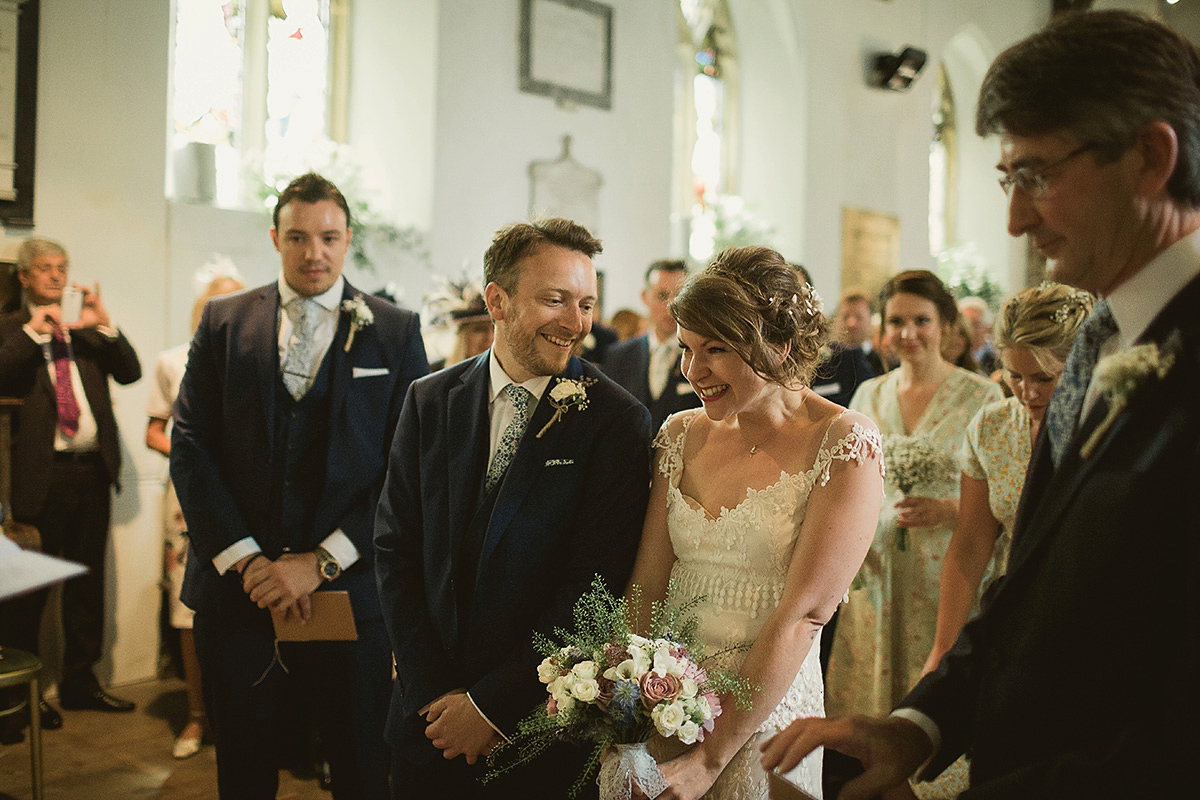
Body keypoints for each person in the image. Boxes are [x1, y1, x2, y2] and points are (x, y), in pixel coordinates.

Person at [761, 11, 1200, 797]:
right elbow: (1027, 586)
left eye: (1035, 175)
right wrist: (917, 725)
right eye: (1007, 181)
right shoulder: (1099, 340)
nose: (1014, 220)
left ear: (1151, 159)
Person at [374, 218, 653, 799]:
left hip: (535, 729)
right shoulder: (429, 399)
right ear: (496, 300)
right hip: (426, 719)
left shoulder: (615, 420)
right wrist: (432, 692)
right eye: (555, 300)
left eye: (586, 303)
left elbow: (592, 586)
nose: (576, 322)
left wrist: (490, 706)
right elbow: (396, 547)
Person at [170, 172, 429, 799]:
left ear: (346, 241)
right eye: (298, 237)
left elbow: (410, 469)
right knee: (244, 767)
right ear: (275, 238)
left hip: (349, 593)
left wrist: (320, 561)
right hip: (242, 596)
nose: (314, 253)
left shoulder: (393, 331)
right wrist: (248, 560)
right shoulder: (225, 321)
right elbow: (191, 442)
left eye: (329, 238)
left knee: (361, 765)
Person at [622, 245, 883, 799]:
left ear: (779, 345)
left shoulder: (843, 442)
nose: (695, 371)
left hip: (765, 715)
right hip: (666, 703)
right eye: (688, 349)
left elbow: (806, 614)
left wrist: (710, 759)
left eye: (716, 350)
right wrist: (623, 710)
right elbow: (646, 587)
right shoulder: (679, 434)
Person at [825, 270, 1001, 720]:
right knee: (870, 718)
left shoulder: (983, 398)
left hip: (946, 568)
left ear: (946, 325)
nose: (908, 334)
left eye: (921, 321)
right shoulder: (869, 394)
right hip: (877, 571)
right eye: (896, 321)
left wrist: (950, 508)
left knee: (936, 705)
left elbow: (1008, 492)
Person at [0, 237, 141, 733]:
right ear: (24, 277)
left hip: (90, 473)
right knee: (29, 590)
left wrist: (103, 324)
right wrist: (32, 337)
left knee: (86, 586)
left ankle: (81, 684)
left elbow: (131, 371)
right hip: (41, 480)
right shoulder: (9, 330)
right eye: (45, 269)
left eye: (63, 268)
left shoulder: (84, 333)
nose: (57, 276)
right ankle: (23, 697)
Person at [923, 283, 1092, 676]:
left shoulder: (1105, 426)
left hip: (1090, 609)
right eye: (1014, 376)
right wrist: (942, 649)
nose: (1027, 392)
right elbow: (969, 546)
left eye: (1045, 378)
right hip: (1013, 611)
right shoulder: (993, 427)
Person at [144, 259, 245, 759]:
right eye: (213, 304)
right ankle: (196, 715)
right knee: (189, 611)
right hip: (188, 500)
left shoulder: (259, 358)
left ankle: (246, 719)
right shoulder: (173, 360)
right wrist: (193, 455)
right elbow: (154, 429)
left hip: (246, 498)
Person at [604, 259, 701, 431]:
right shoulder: (618, 355)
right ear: (645, 297)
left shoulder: (701, 356)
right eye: (662, 296)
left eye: (680, 296)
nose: (671, 306)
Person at [835, 289, 887, 376]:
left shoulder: (883, 363)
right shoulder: (825, 364)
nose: (851, 323)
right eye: (845, 317)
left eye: (859, 317)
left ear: (870, 319)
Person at [958, 297, 1000, 376]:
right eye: (964, 324)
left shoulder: (996, 358)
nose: (968, 329)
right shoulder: (955, 357)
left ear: (987, 329)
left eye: (974, 324)